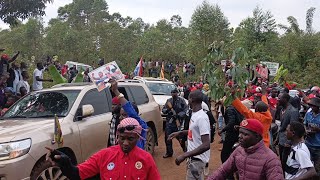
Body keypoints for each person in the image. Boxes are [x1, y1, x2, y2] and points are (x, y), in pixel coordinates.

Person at [46, 118, 161, 180]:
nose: (125, 143)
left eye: (130, 139)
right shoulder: (104, 155)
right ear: (117, 136)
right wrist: (64, 162)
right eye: (122, 138)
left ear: (138, 137)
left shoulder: (146, 159)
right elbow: (77, 174)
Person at [208, 119, 283, 180]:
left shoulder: (271, 159)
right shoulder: (239, 150)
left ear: (257, 137)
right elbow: (223, 171)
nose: (240, 136)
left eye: (245, 134)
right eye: (240, 133)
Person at [168, 90, 211, 180]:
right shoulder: (195, 114)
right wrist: (180, 133)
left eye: (189, 98)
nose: (188, 101)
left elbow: (206, 144)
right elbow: (195, 131)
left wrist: (185, 155)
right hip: (193, 159)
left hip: (197, 161)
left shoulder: (201, 118)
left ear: (192, 100)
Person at [109, 79, 148, 149]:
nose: (120, 118)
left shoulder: (140, 126)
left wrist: (116, 91)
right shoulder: (120, 128)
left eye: (124, 115)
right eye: (121, 115)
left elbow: (129, 110)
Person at [218, 104, 243, 180]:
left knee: (224, 155)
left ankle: (229, 175)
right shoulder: (236, 107)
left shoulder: (229, 109)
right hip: (237, 133)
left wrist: (223, 130)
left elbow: (231, 122)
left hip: (232, 134)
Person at [162, 88, 188, 158]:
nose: (173, 94)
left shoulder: (182, 101)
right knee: (168, 137)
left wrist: (179, 115)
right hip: (169, 122)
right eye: (172, 92)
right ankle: (169, 152)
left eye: (175, 92)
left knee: (181, 137)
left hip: (178, 122)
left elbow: (186, 110)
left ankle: (185, 150)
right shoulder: (169, 101)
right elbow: (163, 110)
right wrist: (167, 110)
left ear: (177, 93)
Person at [278, 93, 300, 171]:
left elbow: (293, 127)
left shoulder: (293, 111)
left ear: (285, 100)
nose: (278, 99)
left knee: (285, 161)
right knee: (281, 159)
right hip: (281, 139)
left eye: (279, 98)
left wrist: (289, 142)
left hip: (287, 140)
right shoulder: (281, 109)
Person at [304, 97, 320, 177]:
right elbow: (305, 124)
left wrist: (318, 129)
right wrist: (306, 130)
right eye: (311, 106)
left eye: (314, 106)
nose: (312, 107)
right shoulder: (308, 114)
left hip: (318, 146)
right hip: (308, 143)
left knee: (317, 168)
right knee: (308, 166)